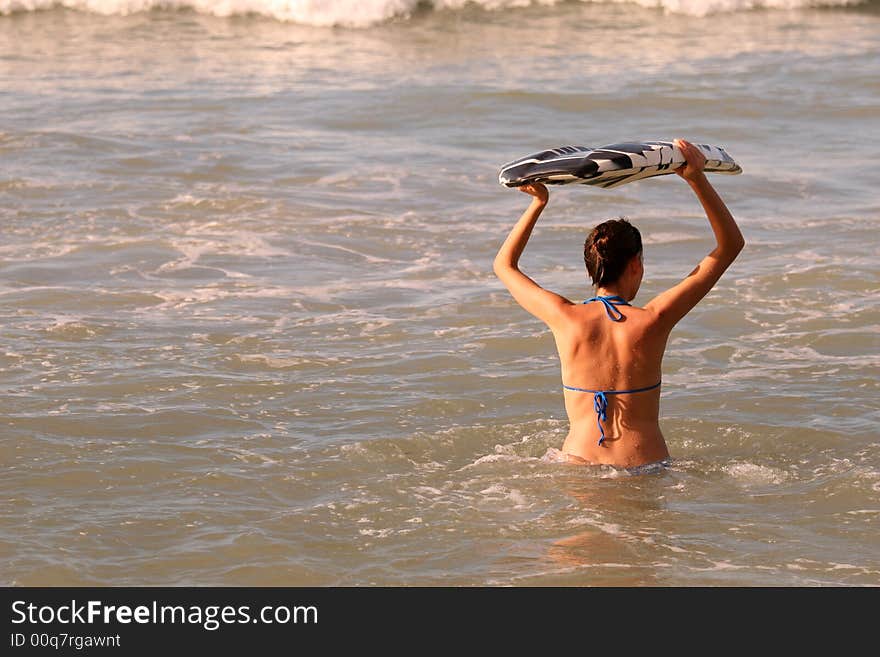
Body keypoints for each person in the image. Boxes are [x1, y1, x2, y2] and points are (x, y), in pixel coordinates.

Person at [493, 139, 744, 469]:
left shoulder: (564, 317)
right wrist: (696, 178)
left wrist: (538, 202)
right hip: (643, 465)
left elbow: (504, 266)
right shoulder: (654, 319)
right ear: (636, 265)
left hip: (577, 463)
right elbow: (729, 246)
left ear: (590, 267)